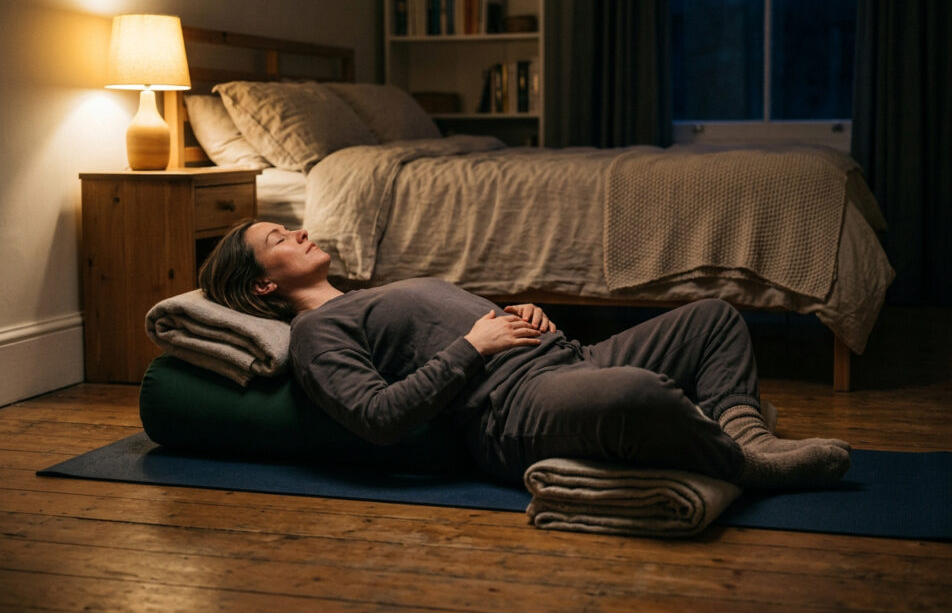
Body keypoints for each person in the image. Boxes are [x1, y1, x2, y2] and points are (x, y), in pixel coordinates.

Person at [199, 220, 851, 489]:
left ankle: (743, 435)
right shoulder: (317, 332)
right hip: (512, 409)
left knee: (714, 315)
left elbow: (467, 327)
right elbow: (375, 415)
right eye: (279, 237)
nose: (301, 230)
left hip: (566, 356)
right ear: (265, 283)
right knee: (639, 394)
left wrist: (521, 316)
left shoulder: (368, 293)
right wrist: (473, 345)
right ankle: (741, 463)